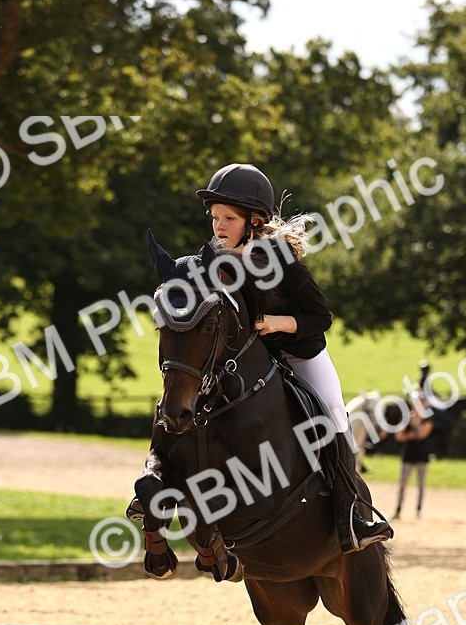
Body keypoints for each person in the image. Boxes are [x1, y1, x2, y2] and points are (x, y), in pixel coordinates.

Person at [149, 162, 390, 553]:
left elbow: (320, 318)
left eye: (228, 218)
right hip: (251, 359)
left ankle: (353, 515)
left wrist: (276, 322)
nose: (218, 226)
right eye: (214, 218)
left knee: (333, 414)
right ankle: (158, 481)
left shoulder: (279, 260)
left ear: (254, 221)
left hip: (301, 353)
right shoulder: (214, 259)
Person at [393, 392, 434, 519]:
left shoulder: (428, 418)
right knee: (402, 484)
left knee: (420, 484)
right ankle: (398, 509)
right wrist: (411, 434)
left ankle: (418, 510)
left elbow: (422, 434)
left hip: (422, 456)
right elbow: (398, 437)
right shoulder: (406, 417)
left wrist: (415, 425)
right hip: (408, 455)